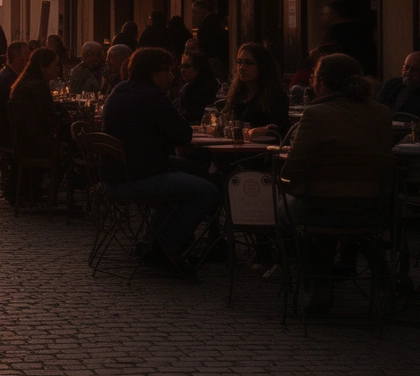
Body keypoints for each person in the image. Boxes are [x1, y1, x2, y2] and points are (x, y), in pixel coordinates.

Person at [279, 53, 395, 314]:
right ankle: (383, 276)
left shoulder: (316, 114)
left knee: (292, 206)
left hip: (320, 210)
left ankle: (318, 285)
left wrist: (285, 182)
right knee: (346, 206)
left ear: (321, 82)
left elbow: (292, 169)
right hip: (373, 210)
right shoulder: (382, 113)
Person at [101, 47, 217, 271]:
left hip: (117, 173)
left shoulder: (119, 91)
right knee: (208, 191)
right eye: (168, 71)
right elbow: (183, 134)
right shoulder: (152, 96)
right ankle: (166, 245)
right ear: (153, 73)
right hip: (139, 177)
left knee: (197, 172)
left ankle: (150, 240)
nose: (172, 76)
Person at [223, 43, 290, 137]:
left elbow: (283, 129)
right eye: (239, 62)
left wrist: (265, 130)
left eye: (248, 63)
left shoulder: (274, 95)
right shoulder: (238, 93)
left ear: (261, 66)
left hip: (261, 148)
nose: (241, 67)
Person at [322, 0, 378, 76]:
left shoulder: (335, 32)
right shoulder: (362, 29)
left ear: (335, 14)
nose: (324, 17)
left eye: (327, 14)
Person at [177, 52, 220, 126]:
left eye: (187, 66)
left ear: (198, 68)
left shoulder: (212, 89)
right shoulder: (185, 90)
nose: (182, 70)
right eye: (181, 67)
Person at [191, 0, 229, 65]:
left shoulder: (204, 28)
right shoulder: (219, 23)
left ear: (204, 10)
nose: (194, 15)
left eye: (196, 12)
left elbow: (204, 49)